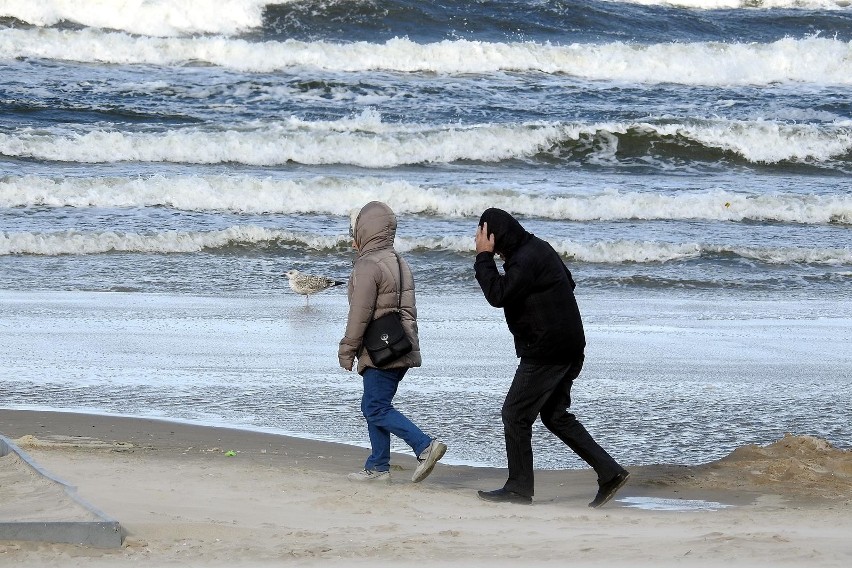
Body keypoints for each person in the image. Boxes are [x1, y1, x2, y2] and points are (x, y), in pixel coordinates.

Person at [473, 208, 629, 507]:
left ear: (493, 236)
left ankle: (519, 488)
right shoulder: (539, 248)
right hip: (569, 344)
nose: (479, 241)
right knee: (554, 415)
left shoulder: (525, 259)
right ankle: (610, 472)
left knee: (515, 414)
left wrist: (483, 258)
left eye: (482, 236)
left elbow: (498, 294)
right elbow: (567, 283)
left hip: (548, 351)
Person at [338, 201, 446, 484]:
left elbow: (359, 313)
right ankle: (378, 466)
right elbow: (406, 309)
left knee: (375, 407)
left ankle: (424, 446)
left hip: (379, 348)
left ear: (365, 230)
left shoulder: (368, 265)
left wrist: (348, 348)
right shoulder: (398, 261)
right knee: (375, 403)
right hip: (402, 344)